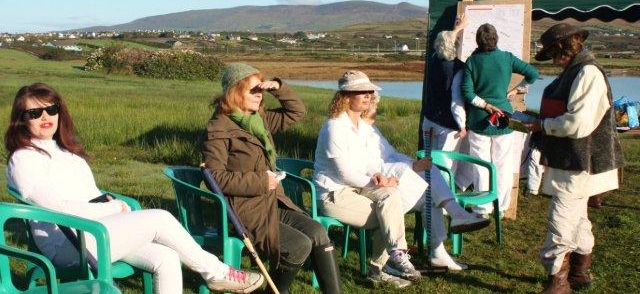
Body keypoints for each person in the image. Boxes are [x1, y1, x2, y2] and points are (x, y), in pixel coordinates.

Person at [5, 83, 264, 294]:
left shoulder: (63, 149)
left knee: (166, 258)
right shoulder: (24, 158)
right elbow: (58, 209)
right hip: (70, 242)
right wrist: (110, 208)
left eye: (51, 109)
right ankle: (216, 272)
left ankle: (216, 273)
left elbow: (84, 193)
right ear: (21, 120)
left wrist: (108, 202)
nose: (45, 117)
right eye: (34, 113)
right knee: (160, 218)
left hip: (94, 231)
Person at [313, 71, 489, 288]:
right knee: (388, 213)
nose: (368, 95)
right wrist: (378, 180)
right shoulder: (334, 127)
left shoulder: (363, 127)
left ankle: (398, 257)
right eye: (362, 92)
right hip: (335, 194)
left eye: (370, 91)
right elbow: (343, 172)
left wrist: (397, 170)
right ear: (346, 96)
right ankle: (384, 266)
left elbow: (377, 158)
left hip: (359, 188)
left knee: (408, 193)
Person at [202, 63, 342, 294]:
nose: (259, 94)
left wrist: (278, 87)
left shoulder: (259, 120)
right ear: (234, 91)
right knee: (298, 245)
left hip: (272, 201)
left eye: (261, 89)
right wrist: (260, 181)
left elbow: (296, 112)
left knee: (318, 232)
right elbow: (214, 178)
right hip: (243, 209)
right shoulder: (218, 129)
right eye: (253, 90)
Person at [524, 23, 623, 294]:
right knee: (577, 218)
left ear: (562, 49)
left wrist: (545, 125)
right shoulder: (576, 71)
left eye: (554, 54)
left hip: (581, 163)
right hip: (575, 162)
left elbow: (578, 123)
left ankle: (558, 282)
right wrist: (540, 120)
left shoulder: (587, 73)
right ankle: (579, 273)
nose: (555, 61)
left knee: (561, 221)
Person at [461, 23, 539, 216]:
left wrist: (486, 106)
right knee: (502, 165)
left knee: (481, 165)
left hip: (479, 120)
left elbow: (467, 93)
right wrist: (515, 90)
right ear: (496, 39)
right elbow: (533, 74)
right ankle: (501, 206)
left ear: (478, 41)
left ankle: (482, 207)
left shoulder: (472, 62)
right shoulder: (507, 58)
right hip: (504, 117)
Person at [422, 13, 473, 189]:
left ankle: (428, 194)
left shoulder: (434, 59)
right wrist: (462, 125)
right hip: (447, 125)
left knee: (430, 161)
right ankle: (443, 201)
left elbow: (445, 43)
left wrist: (456, 28)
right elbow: (456, 101)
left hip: (429, 120)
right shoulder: (458, 68)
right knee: (445, 163)